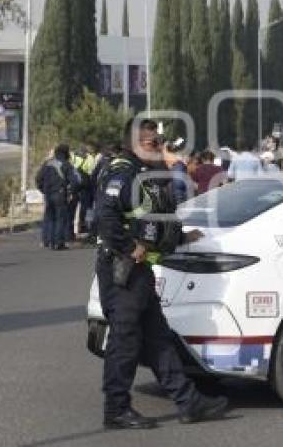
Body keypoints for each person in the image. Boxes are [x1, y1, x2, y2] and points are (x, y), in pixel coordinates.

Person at [94, 118, 228, 429]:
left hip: (140, 274)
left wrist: (181, 237)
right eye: (153, 142)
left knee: (158, 339)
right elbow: (105, 216)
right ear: (135, 143)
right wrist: (129, 247)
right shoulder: (122, 171)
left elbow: (153, 221)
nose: (159, 147)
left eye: (160, 141)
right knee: (125, 342)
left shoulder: (147, 174)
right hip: (122, 271)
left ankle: (189, 402)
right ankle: (116, 409)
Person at [35, 144, 79, 250]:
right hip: (60, 194)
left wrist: (43, 190)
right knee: (60, 218)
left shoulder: (47, 163)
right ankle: (58, 243)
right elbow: (75, 181)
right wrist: (70, 192)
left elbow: (38, 178)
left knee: (50, 218)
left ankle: (48, 241)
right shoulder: (66, 164)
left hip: (48, 194)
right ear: (66, 153)